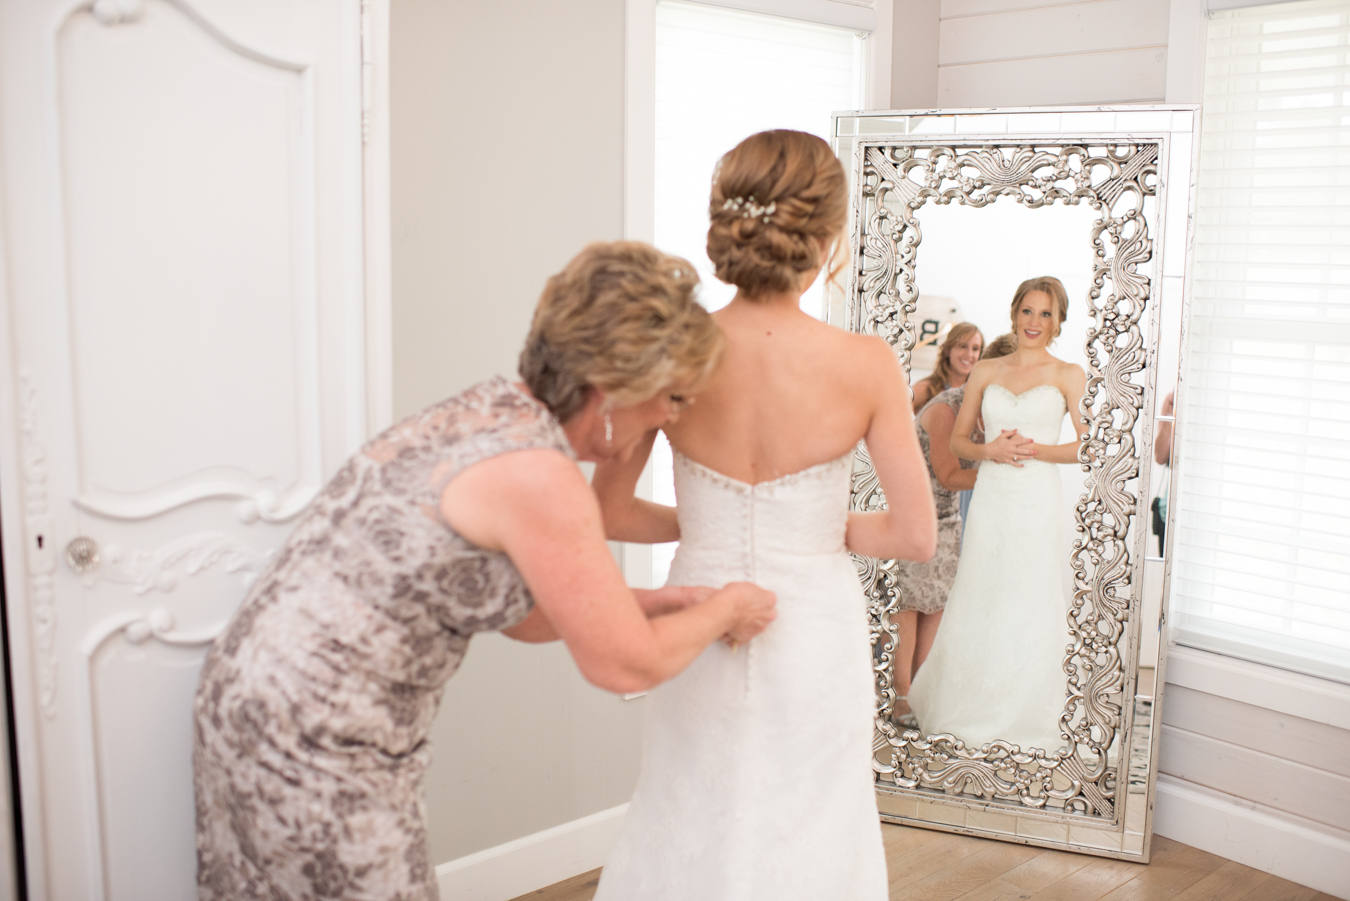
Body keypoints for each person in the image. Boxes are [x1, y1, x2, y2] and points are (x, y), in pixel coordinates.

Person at [192, 242, 779, 901]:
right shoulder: (541, 475)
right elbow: (626, 665)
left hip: (248, 696)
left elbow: (521, 617)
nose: (673, 415)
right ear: (614, 386)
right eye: (672, 396)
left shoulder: (489, 410)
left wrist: (646, 602)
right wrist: (726, 609)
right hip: (318, 736)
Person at [591, 130, 936, 901]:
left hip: (696, 610)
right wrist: (812, 526)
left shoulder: (675, 350)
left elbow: (607, 509)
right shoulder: (868, 364)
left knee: (689, 801)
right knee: (812, 819)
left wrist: (708, 521)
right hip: (814, 624)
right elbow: (915, 535)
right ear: (824, 238)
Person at [908, 277, 1088, 752]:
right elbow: (958, 443)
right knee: (981, 591)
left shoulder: (1069, 374)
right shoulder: (986, 371)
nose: (1034, 322)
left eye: (1045, 314)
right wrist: (990, 451)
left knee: (1029, 595)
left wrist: (1035, 452)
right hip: (992, 497)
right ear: (1014, 313)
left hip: (1037, 498)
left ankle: (1024, 710)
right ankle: (963, 704)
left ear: (1058, 322)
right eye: (1027, 311)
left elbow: (1089, 446)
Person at [890, 330, 1020, 730]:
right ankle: (898, 698)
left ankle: (919, 698)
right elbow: (948, 475)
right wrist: (1000, 468)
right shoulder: (947, 407)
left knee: (936, 612)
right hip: (913, 515)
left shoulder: (990, 412)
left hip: (948, 522)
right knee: (908, 610)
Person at [911, 322, 984, 413]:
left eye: (975, 349)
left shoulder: (980, 393)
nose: (969, 354)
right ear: (948, 349)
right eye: (963, 346)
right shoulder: (926, 388)